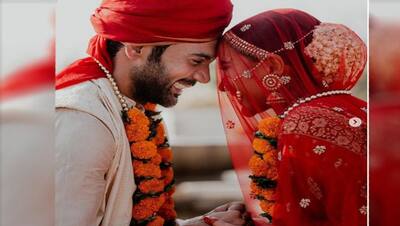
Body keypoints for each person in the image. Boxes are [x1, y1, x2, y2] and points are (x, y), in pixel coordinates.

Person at [55, 0, 247, 226]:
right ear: (136, 48)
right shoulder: (84, 121)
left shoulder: (134, 107)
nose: (204, 77)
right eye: (196, 60)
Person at [216, 9, 367, 225]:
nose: (222, 85)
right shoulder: (347, 109)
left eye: (225, 67)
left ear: (272, 66)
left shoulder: (305, 122)